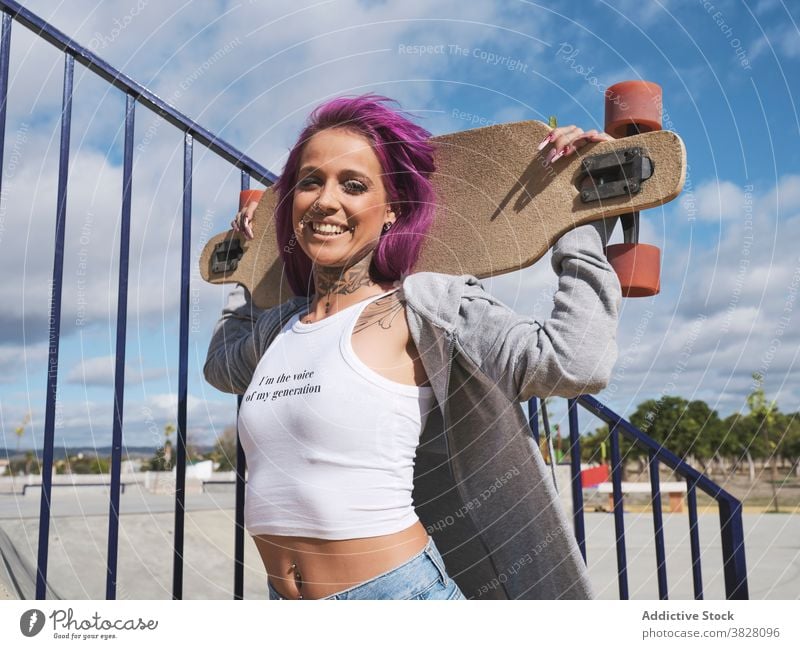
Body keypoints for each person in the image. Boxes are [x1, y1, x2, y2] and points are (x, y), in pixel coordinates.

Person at [204, 93, 621, 600]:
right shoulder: (281, 327)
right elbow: (221, 366)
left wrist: (577, 218)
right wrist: (247, 269)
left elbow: (572, 362)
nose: (325, 200)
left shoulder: (420, 306)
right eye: (310, 181)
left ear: (391, 213)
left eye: (353, 185)